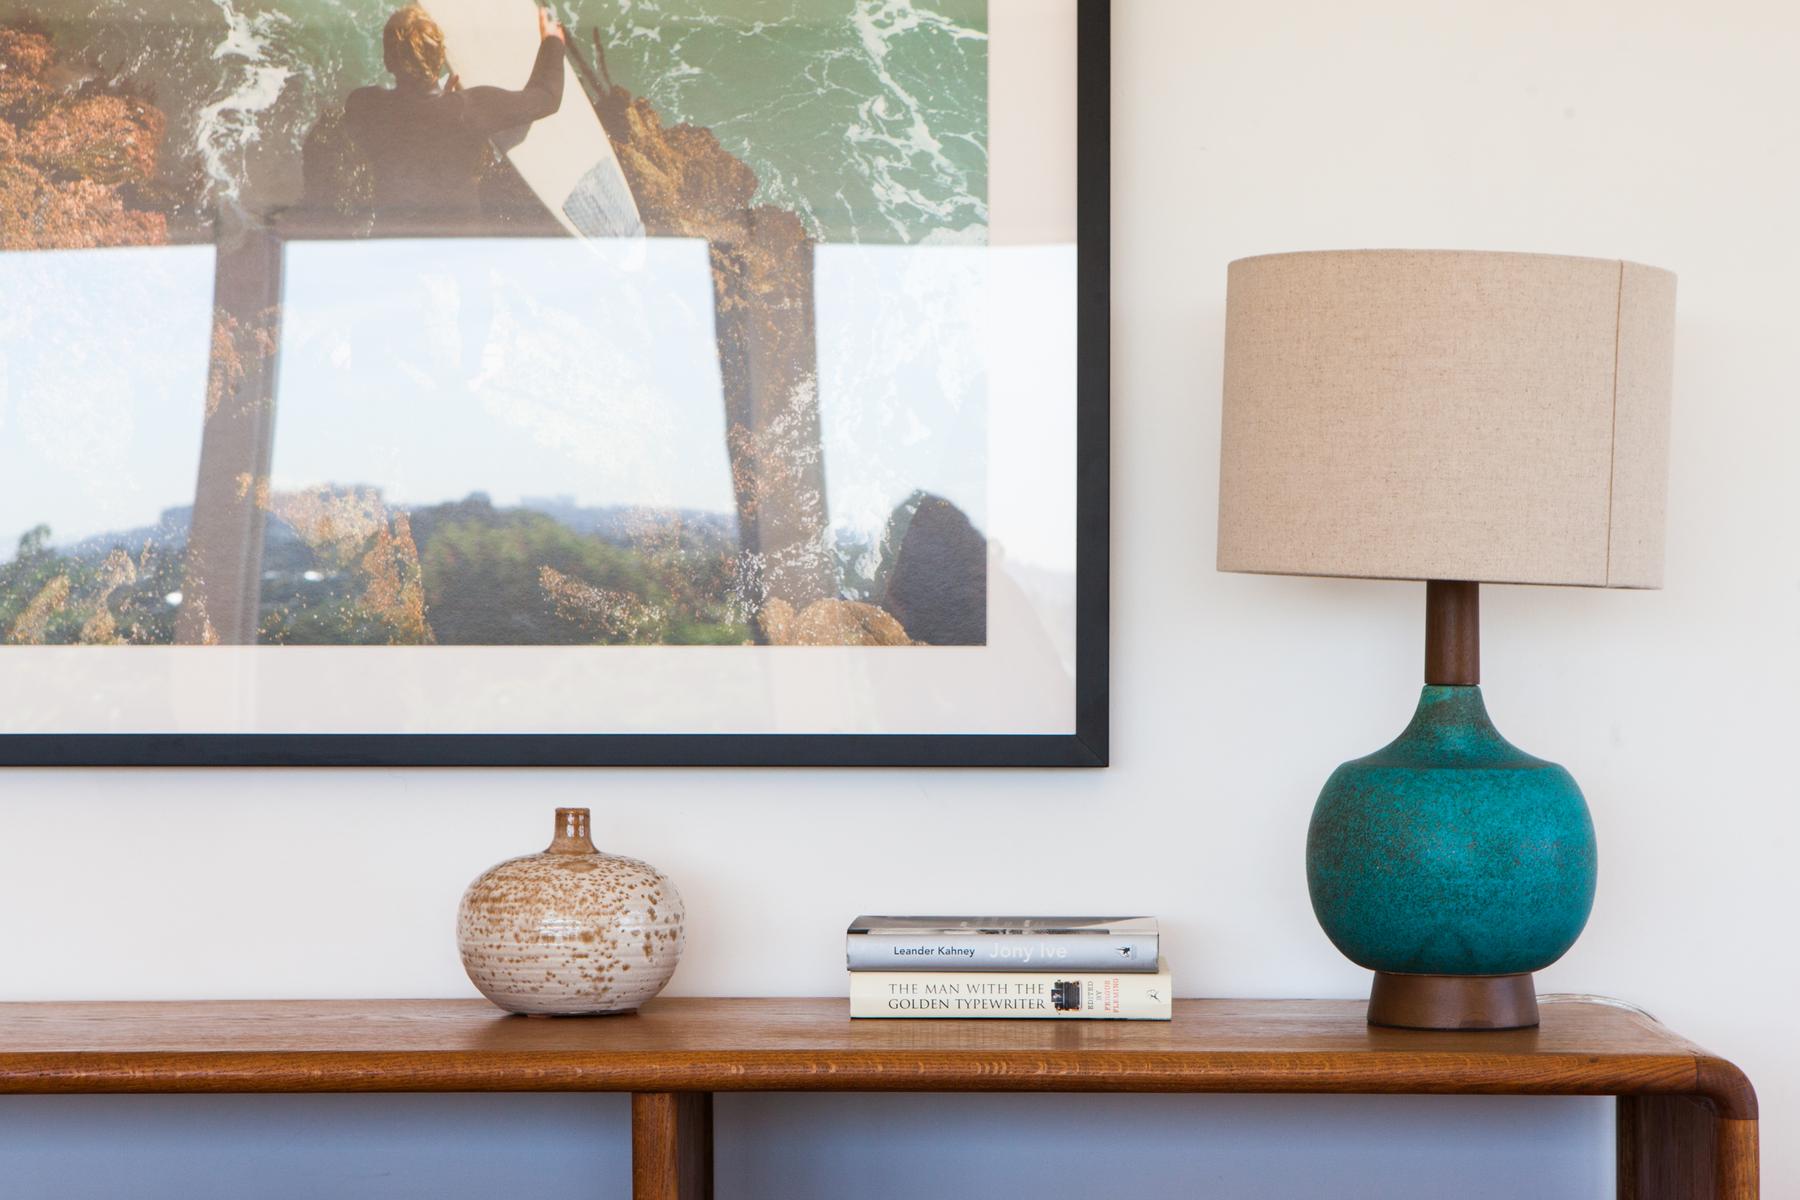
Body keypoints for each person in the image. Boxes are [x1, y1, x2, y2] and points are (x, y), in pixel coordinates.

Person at [345, 5, 567, 231]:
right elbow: (547, 98)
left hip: (392, 239)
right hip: (457, 244)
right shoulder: (470, 109)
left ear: (387, 60)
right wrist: (552, 40)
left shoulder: (363, 106)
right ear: (441, 56)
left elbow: (413, 127)